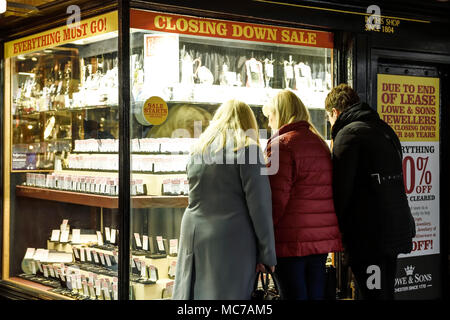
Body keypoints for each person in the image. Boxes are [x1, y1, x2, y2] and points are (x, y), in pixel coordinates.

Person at [172, 99, 277, 300]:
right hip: (232, 238)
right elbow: (260, 207)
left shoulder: (198, 150)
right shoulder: (248, 150)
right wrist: (268, 253)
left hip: (193, 233)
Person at [326, 83, 416, 300]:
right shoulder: (385, 129)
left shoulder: (348, 135)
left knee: (372, 293)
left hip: (368, 238)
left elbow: (341, 192)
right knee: (385, 293)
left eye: (329, 118)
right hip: (394, 230)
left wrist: (334, 230)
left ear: (335, 112)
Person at [263, 90, 342, 300]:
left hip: (290, 240)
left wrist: (263, 236)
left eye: (270, 115)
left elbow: (274, 200)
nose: (269, 122)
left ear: (279, 114)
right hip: (319, 240)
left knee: (292, 295)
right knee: (315, 294)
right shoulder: (319, 143)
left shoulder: (281, 145)